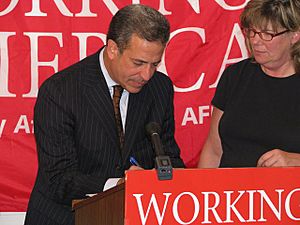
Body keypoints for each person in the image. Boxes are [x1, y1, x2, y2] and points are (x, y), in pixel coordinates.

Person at [24, 4, 185, 225]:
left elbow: (168, 155)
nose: (147, 75)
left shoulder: (160, 88)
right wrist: (119, 185)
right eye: (138, 63)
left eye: (155, 64)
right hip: (65, 218)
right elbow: (59, 179)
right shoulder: (61, 91)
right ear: (112, 49)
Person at [198, 0, 300, 168]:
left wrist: (295, 160)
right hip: (231, 190)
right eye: (251, 31)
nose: (255, 41)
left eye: (267, 34)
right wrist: (202, 191)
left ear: (295, 35)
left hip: (288, 192)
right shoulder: (236, 75)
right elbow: (214, 150)